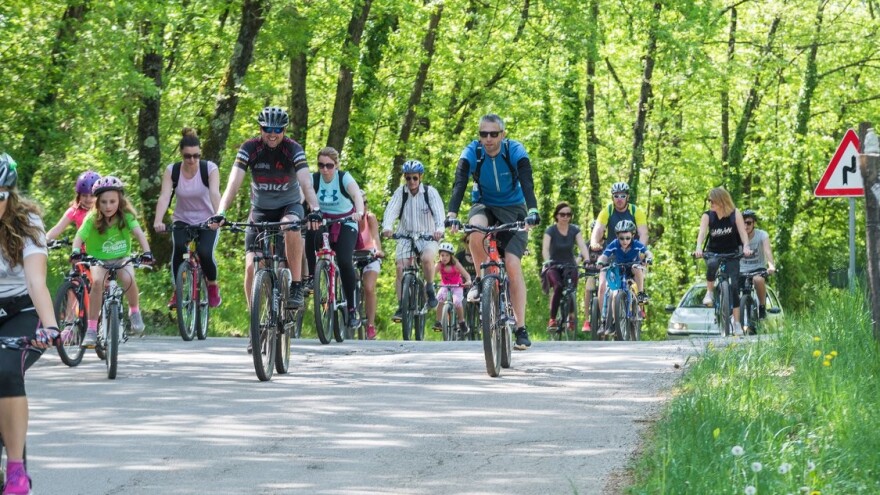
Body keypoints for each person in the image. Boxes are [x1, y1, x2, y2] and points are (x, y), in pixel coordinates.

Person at [210, 106, 320, 313]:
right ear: (260, 128)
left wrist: (315, 208)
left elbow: (306, 183)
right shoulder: (250, 148)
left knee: (290, 225)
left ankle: (296, 285)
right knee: (252, 266)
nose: (272, 133)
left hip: (289, 205)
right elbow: (233, 184)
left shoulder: (293, 149)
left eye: (278, 130)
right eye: (267, 128)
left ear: (285, 131)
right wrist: (221, 212)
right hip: (260, 209)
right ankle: (254, 322)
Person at [446, 113, 540, 350]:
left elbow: (527, 181)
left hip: (515, 208)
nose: (488, 139)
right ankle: (479, 280)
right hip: (485, 204)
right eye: (483, 134)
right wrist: (452, 215)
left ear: (502, 134)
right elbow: (460, 182)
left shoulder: (514, 150)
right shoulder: (473, 153)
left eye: (493, 134)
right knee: (476, 232)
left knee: (512, 263)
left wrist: (533, 210)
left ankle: (520, 328)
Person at [0, 152, 60, 495]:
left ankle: (17, 470)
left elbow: (37, 283)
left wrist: (50, 327)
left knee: (6, 369)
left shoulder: (28, 224)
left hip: (22, 312)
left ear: (11, 193)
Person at [71, 176, 153, 346]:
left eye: (112, 202)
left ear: (120, 201)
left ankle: (134, 311)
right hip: (98, 258)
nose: (108, 206)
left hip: (121, 256)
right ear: (97, 203)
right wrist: (76, 251)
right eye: (104, 202)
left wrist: (147, 252)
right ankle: (92, 329)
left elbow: (138, 233)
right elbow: (79, 236)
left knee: (128, 278)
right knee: (97, 283)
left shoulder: (126, 216)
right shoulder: (92, 217)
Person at [152, 128, 223, 308]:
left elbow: (215, 193)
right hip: (182, 219)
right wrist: (158, 220)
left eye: (196, 156)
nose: (192, 160)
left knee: (205, 252)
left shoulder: (209, 169)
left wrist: (219, 216)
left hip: (208, 219)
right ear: (181, 155)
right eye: (187, 156)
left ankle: (212, 286)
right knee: (179, 250)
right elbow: (165, 196)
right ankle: (178, 290)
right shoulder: (172, 171)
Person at [304, 147, 365, 328]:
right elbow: (301, 197)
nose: (325, 170)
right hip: (323, 221)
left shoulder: (344, 178)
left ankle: (352, 309)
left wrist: (359, 212)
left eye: (329, 166)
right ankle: (312, 277)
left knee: (345, 260)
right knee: (309, 234)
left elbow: (356, 195)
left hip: (346, 221)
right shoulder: (314, 180)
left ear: (336, 165)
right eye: (321, 165)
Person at [381, 159, 445, 321]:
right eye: (408, 178)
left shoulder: (430, 193)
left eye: (414, 178)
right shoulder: (400, 193)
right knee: (400, 268)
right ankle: (401, 305)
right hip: (406, 235)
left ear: (420, 177)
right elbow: (391, 211)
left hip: (428, 236)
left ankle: (429, 287)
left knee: (426, 258)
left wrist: (439, 230)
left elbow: (439, 214)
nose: (411, 182)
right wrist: (387, 227)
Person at [589, 182, 648, 332]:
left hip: (632, 254)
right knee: (602, 285)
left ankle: (640, 304)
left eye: (622, 196)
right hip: (613, 254)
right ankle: (604, 320)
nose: (619, 199)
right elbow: (599, 229)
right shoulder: (607, 211)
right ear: (612, 197)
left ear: (627, 197)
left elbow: (643, 233)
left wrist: (640, 251)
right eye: (616, 196)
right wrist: (594, 242)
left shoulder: (636, 211)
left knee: (638, 271)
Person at [694, 187, 753, 335]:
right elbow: (702, 233)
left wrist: (746, 246)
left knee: (734, 286)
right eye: (709, 200)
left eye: (712, 200)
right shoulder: (708, 216)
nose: (710, 203)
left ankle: (737, 322)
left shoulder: (735, 214)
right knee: (712, 264)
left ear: (721, 201)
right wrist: (699, 247)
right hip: (713, 252)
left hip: (732, 252)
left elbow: (742, 233)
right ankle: (709, 292)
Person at [595, 220, 652, 337]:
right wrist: (600, 261)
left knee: (637, 268)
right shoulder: (614, 244)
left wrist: (649, 258)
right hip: (619, 270)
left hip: (632, 270)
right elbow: (604, 255)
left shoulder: (636, 244)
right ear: (617, 237)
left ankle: (641, 297)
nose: (625, 241)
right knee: (614, 293)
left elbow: (648, 252)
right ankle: (615, 322)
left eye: (627, 238)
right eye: (621, 238)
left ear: (632, 236)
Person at [541, 202, 590, 330]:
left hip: (570, 264)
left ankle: (571, 316)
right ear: (556, 216)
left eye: (568, 214)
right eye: (562, 214)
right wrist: (547, 262)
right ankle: (552, 319)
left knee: (571, 288)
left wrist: (587, 259)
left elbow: (582, 246)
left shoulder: (574, 230)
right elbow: (545, 249)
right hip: (553, 265)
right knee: (558, 286)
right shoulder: (550, 230)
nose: (565, 217)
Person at [355, 189, 384, 340]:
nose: (363, 206)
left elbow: (374, 237)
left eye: (365, 203)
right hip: (352, 256)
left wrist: (378, 250)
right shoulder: (348, 218)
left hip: (369, 255)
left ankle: (370, 325)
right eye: (360, 203)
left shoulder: (370, 217)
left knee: (369, 287)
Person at [740, 209, 776, 318]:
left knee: (758, 279)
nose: (746, 226)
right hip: (741, 269)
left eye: (749, 223)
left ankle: (762, 307)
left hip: (758, 268)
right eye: (743, 223)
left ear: (754, 223)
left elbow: (767, 251)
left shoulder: (762, 235)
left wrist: (771, 265)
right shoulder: (737, 236)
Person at [46, 170, 101, 240]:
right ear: (79, 196)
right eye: (84, 195)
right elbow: (58, 228)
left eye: (92, 196)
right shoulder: (74, 211)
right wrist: (43, 241)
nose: (88, 199)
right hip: (80, 249)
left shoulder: (105, 209)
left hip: (104, 249)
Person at [432, 242, 472, 336]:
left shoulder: (456, 264)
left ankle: (461, 322)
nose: (444, 258)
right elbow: (431, 275)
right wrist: (429, 283)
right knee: (439, 299)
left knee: (457, 301)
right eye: (442, 255)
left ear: (451, 256)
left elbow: (466, 274)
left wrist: (468, 281)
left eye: (447, 255)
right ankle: (438, 322)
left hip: (457, 286)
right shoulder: (439, 265)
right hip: (445, 285)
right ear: (439, 256)